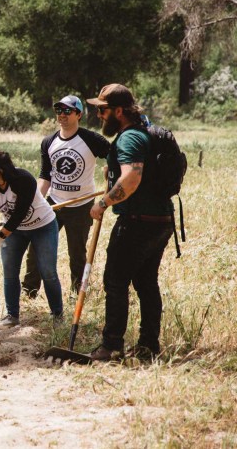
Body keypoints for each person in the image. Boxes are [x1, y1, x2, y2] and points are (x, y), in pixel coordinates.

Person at [86, 84, 175, 362]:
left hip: (137, 223)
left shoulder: (129, 138)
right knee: (146, 282)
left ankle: (111, 345)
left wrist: (103, 202)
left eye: (103, 109)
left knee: (115, 281)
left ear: (119, 111)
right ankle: (148, 347)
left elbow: (132, 178)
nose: (99, 115)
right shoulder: (142, 134)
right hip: (161, 219)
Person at [0, 148, 64, 330]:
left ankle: (57, 315)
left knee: (48, 271)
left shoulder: (23, 179)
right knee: (9, 271)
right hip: (14, 231)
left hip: (43, 227)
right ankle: (12, 316)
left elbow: (19, 214)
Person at [22, 95, 111, 297]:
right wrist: (36, 202)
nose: (62, 115)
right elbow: (46, 175)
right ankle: (29, 292)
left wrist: (110, 169)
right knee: (36, 248)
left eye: (67, 111)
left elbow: (114, 155)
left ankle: (77, 293)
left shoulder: (91, 139)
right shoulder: (49, 142)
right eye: (58, 110)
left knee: (77, 254)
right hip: (54, 203)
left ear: (78, 114)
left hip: (82, 205)